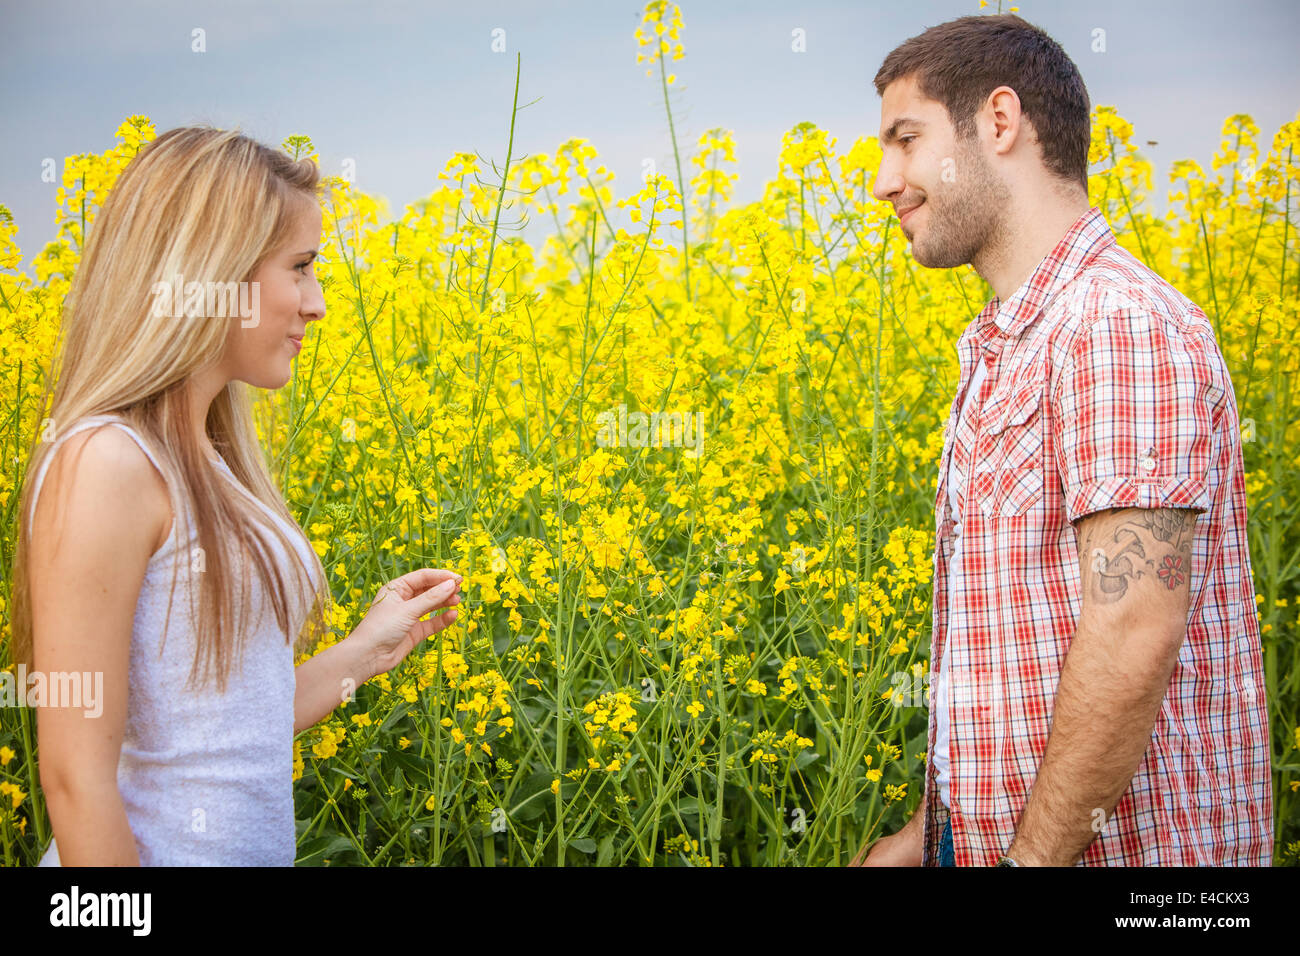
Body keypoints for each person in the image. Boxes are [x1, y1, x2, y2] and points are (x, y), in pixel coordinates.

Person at [850, 14, 1271, 866]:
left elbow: (1131, 631)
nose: (884, 181)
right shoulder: (1014, 340)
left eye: (906, 139)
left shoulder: (1114, 326)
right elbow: (1017, 638)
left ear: (998, 123)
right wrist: (934, 839)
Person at [10, 126, 464, 865]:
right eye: (301, 267)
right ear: (213, 272)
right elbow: (73, 778)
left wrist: (366, 651)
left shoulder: (211, 464)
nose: (316, 304)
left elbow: (226, 732)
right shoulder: (106, 462)